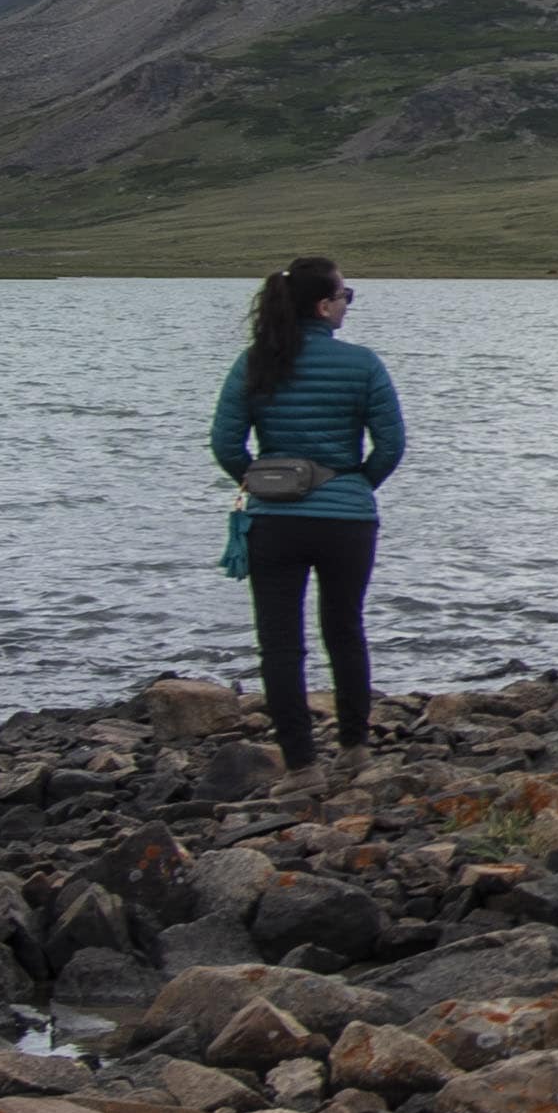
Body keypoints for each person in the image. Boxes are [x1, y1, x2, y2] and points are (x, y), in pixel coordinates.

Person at [209, 254, 407, 772]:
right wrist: (358, 485)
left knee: (279, 642)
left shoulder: (254, 362)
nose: (348, 305)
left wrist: (259, 480)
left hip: (273, 521)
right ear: (324, 306)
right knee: (344, 630)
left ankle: (300, 764)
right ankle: (354, 748)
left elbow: (226, 443)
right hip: (347, 521)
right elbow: (391, 445)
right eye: (346, 296)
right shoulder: (363, 364)